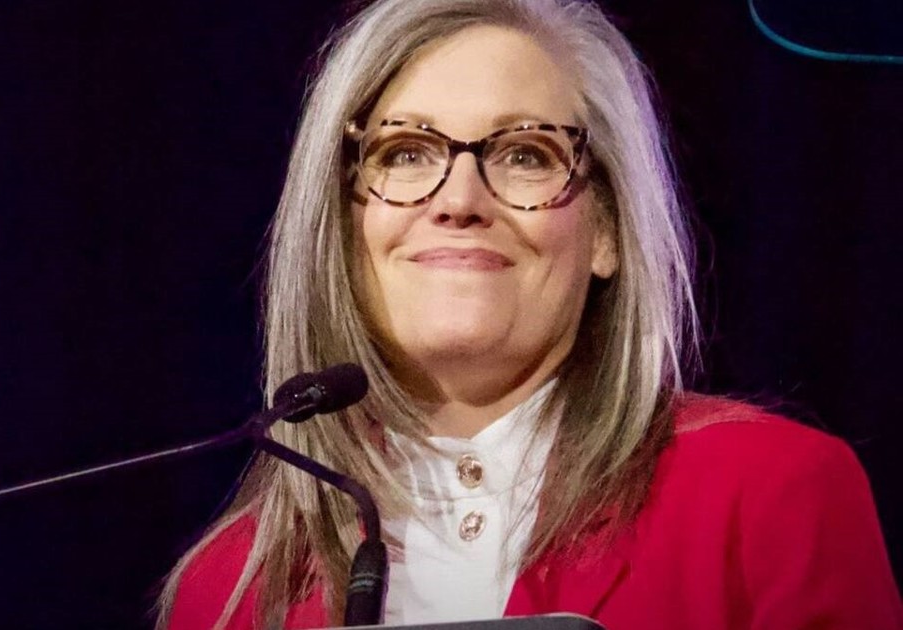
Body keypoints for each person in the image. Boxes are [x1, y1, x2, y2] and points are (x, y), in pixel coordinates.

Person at [158, 0, 903, 628]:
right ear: (341, 228)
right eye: (406, 153)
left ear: (606, 230)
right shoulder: (226, 590)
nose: (459, 200)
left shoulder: (770, 496)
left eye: (525, 155)